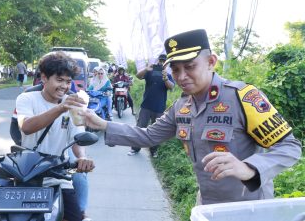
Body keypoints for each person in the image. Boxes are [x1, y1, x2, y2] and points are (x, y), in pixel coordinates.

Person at [82, 29, 302, 205]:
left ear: (211, 61)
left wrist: (249, 168)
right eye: (175, 70)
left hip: (248, 207)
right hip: (206, 205)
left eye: (190, 67)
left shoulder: (243, 97)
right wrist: (102, 124)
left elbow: (289, 147)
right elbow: (148, 136)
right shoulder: (182, 107)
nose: (182, 77)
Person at [16, 51, 94, 221]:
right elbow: (26, 126)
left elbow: (78, 136)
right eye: (59, 80)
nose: (65, 86)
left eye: (68, 82)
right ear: (44, 78)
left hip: (58, 174)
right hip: (28, 174)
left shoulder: (73, 105)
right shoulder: (26, 99)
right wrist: (60, 108)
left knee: (76, 218)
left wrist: (82, 157)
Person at [127, 54, 175, 157]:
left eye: (164, 61)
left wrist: (165, 78)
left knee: (156, 131)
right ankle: (135, 148)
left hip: (159, 108)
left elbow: (172, 87)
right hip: (146, 106)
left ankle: (153, 151)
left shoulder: (168, 75)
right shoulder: (149, 72)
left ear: (166, 64)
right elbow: (138, 76)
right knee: (140, 128)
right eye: (160, 60)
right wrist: (146, 69)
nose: (161, 63)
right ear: (157, 60)